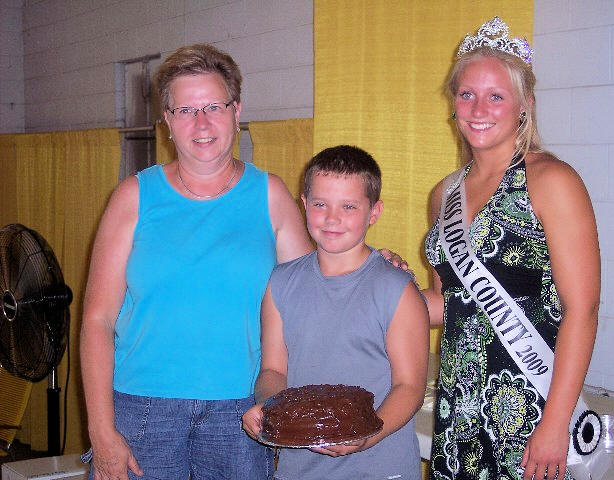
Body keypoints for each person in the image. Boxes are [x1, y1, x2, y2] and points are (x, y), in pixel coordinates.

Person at [80, 44, 408, 480]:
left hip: (241, 412)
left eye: (214, 106)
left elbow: (315, 287)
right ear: (167, 121)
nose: (201, 123)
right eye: (185, 110)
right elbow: (97, 320)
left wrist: (374, 264)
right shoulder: (133, 197)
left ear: (237, 111)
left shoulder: (270, 195)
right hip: (142, 409)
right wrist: (101, 430)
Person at [422, 18, 600, 480]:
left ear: (525, 105)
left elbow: (583, 310)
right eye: (467, 94)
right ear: (453, 103)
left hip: (530, 405)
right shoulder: (444, 194)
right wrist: (376, 279)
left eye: (496, 96)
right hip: (458, 403)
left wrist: (555, 423)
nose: (479, 108)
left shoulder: (552, 181)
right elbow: (447, 304)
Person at [242, 145, 430, 480]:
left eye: (349, 206)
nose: (332, 218)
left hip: (380, 468)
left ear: (374, 212)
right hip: (299, 470)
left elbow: (409, 387)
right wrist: (270, 409)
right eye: (320, 204)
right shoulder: (280, 283)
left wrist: (368, 435)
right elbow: (273, 369)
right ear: (304, 205)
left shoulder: (397, 288)